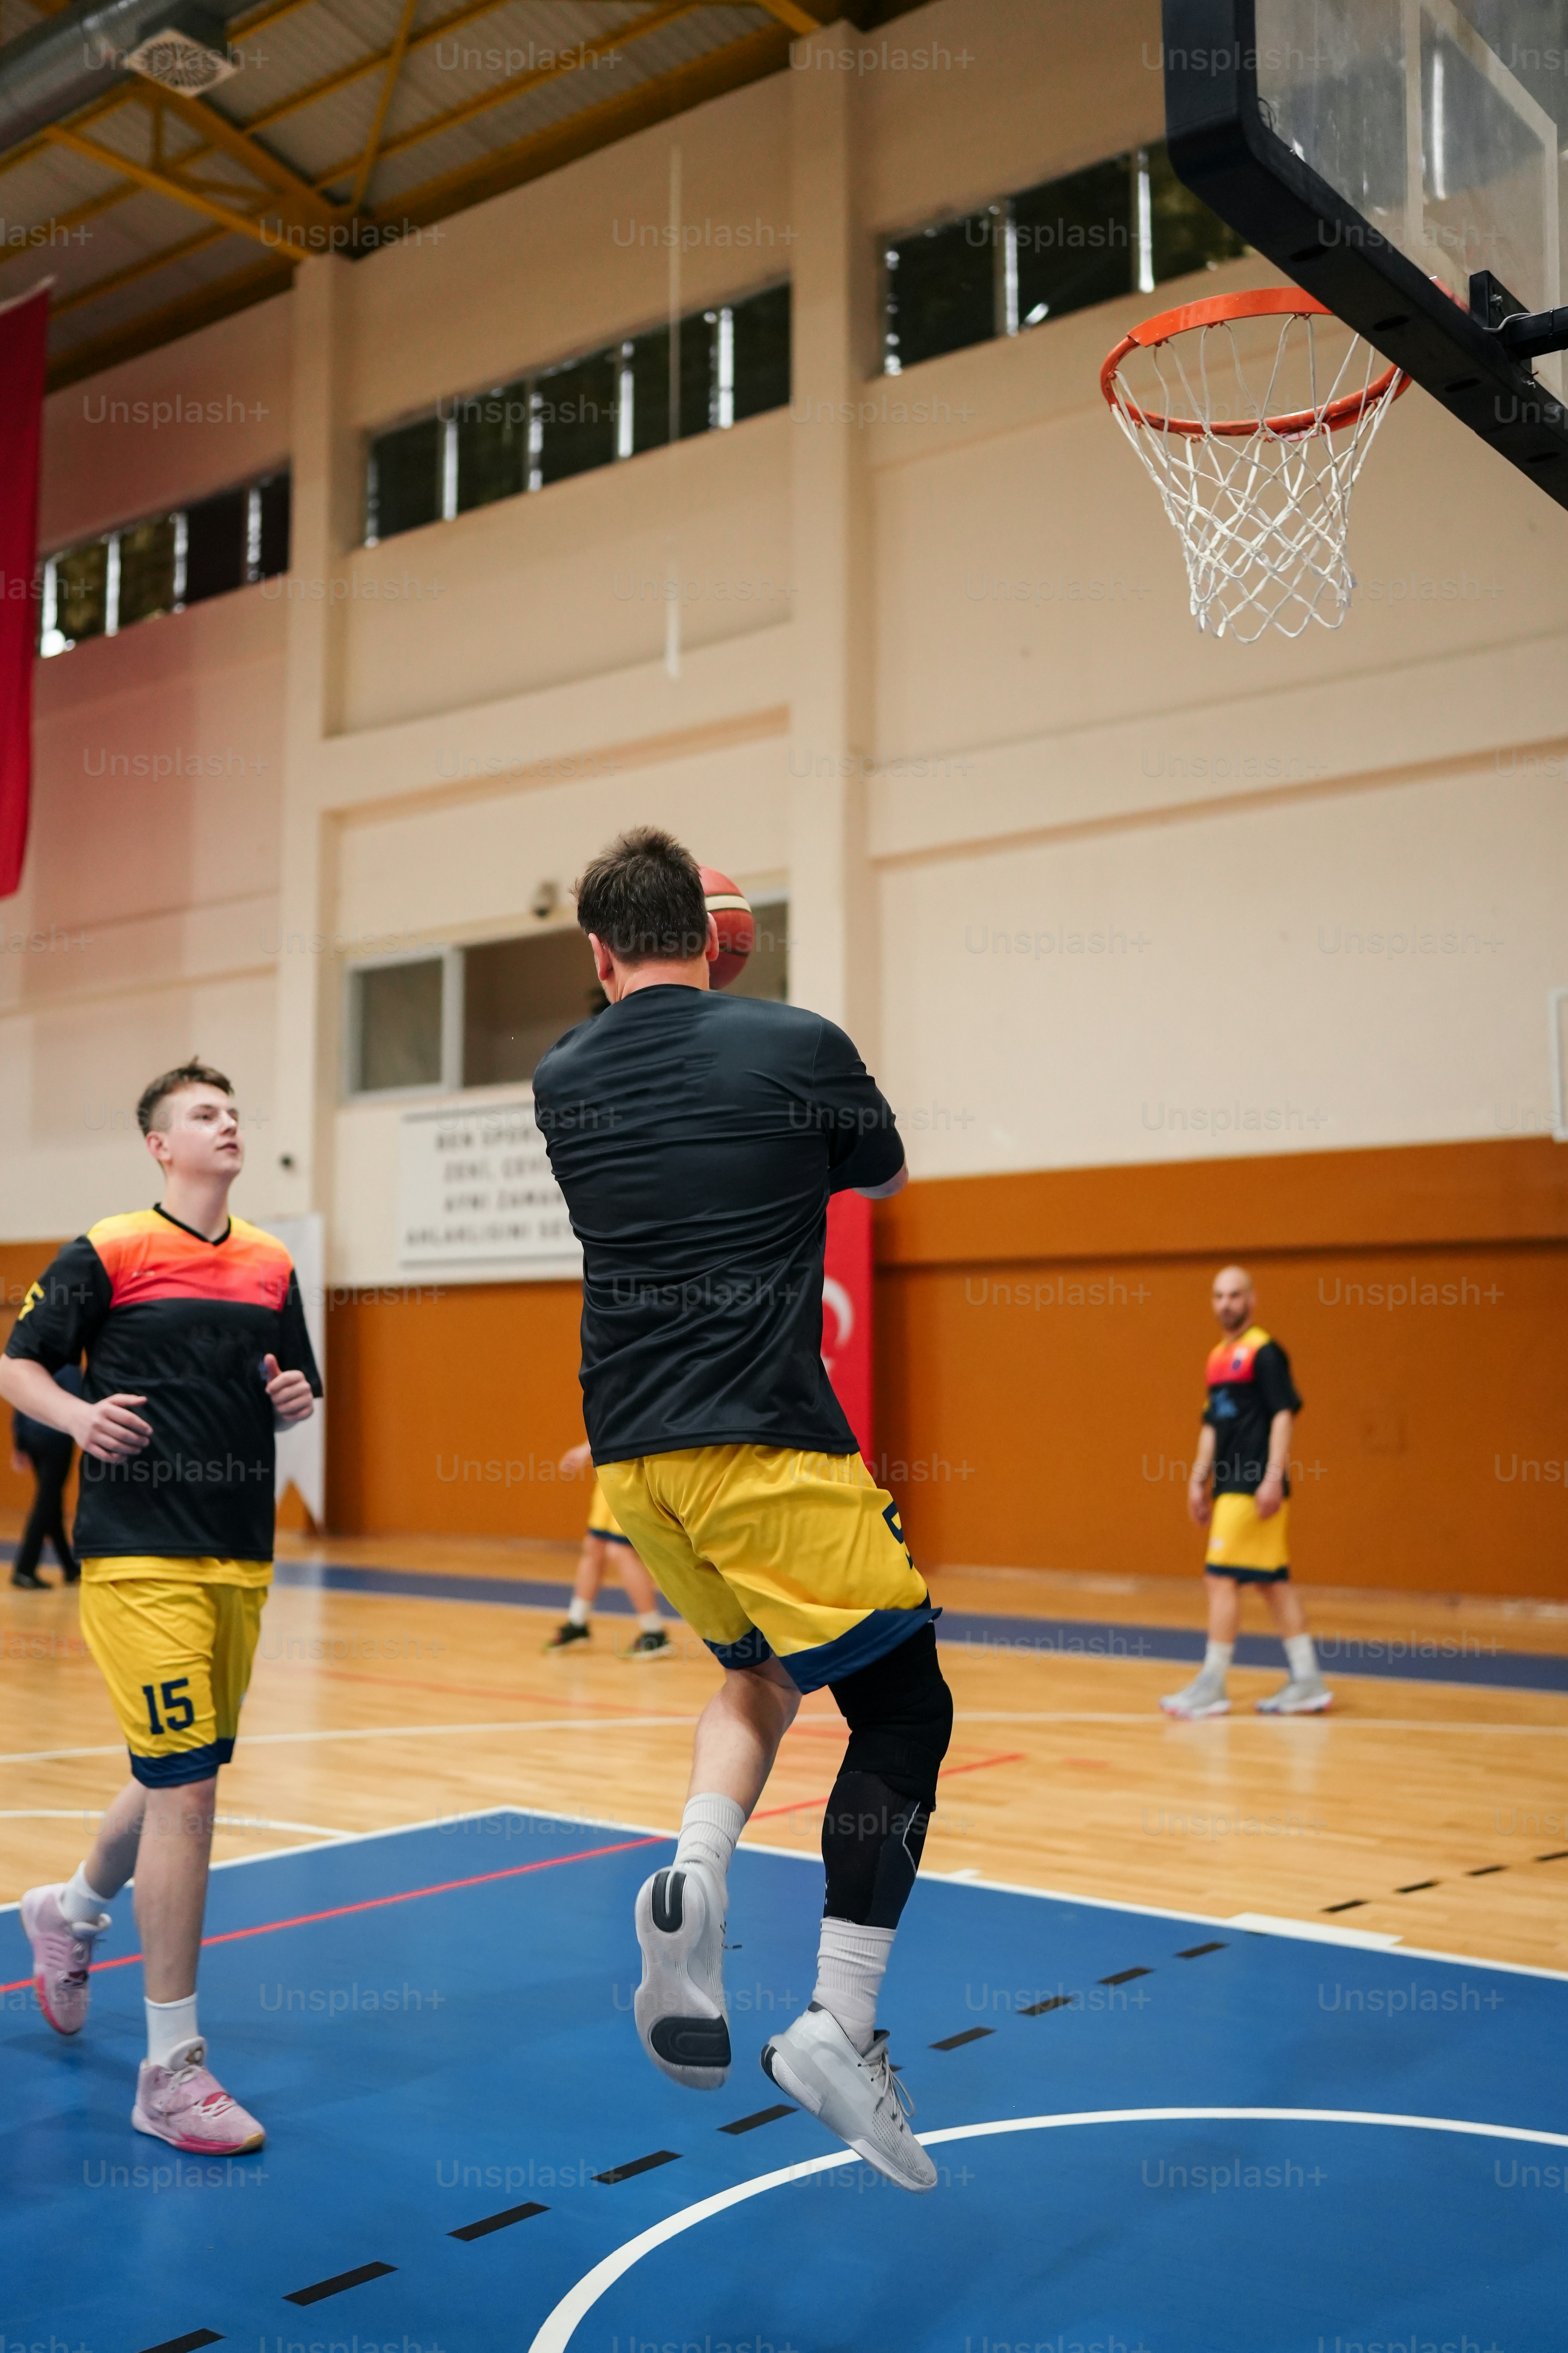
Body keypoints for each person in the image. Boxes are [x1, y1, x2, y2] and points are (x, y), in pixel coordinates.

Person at [533, 827, 950, 2195]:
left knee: (754, 1672)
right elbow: (877, 1175)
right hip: (764, 1440)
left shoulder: (560, 1077)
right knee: (904, 1710)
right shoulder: (794, 1041)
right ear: (716, 939)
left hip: (633, 1461)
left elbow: (661, 1109)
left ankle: (696, 1877)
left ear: (597, 952)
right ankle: (840, 2019)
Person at [0, 1059, 319, 2153]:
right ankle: (171, 2070)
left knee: (177, 1766)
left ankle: (70, 1912)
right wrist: (81, 1421)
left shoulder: (273, 1261)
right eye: (202, 1114)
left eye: (233, 1110)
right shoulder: (111, 1247)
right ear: (159, 1146)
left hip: (240, 1553)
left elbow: (295, 1388)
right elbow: (19, 1365)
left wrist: (291, 1400)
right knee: (187, 1789)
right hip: (138, 1553)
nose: (226, 1123)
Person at [1161, 1264, 1332, 1719]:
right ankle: (1308, 1680)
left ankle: (1212, 1684)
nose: (1226, 1304)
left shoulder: (1265, 1353)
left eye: (1235, 1295)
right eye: (1218, 1296)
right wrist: (1198, 1479)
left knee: (1219, 1578)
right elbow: (1212, 1425)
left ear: (1251, 1300)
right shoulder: (1217, 1358)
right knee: (1271, 1583)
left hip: (1252, 1482)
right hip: (1227, 1484)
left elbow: (1282, 1414)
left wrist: (1273, 1475)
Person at [545, 1439, 673, 1655]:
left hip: (634, 1468)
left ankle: (654, 1633)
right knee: (594, 1546)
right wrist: (586, 1448)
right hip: (610, 1467)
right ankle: (578, 1623)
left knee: (620, 1551)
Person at [10, 1363, 84, 1587]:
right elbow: (76, 1404)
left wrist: (20, 1444)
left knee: (52, 1501)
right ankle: (25, 1569)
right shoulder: (69, 1368)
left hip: (33, 1439)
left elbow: (19, 1402)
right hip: (55, 1441)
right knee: (46, 1503)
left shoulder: (35, 1364)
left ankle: (70, 1567)